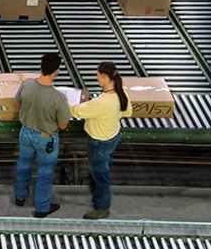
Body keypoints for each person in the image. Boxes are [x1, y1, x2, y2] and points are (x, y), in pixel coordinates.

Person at [70, 61, 132, 220]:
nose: (97, 79)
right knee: (103, 167)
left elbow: (76, 112)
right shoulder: (120, 94)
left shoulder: (102, 101)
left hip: (98, 142)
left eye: (98, 76)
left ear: (104, 76)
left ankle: (102, 208)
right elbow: (127, 112)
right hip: (112, 137)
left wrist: (66, 101)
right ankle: (97, 193)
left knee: (101, 175)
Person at [13, 53, 71, 218]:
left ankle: (20, 197)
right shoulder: (58, 98)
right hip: (45, 139)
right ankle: (41, 208)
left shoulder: (27, 84)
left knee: (24, 165)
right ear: (56, 71)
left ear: (41, 67)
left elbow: (17, 104)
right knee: (45, 172)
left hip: (25, 133)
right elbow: (63, 125)